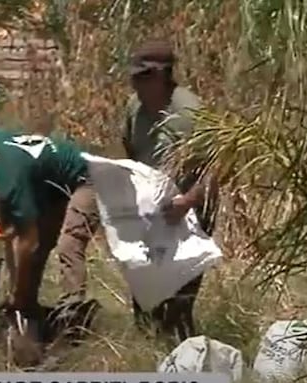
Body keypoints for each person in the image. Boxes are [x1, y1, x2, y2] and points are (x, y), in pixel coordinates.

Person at [0, 120, 100, 365]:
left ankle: (71, 322)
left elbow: (28, 243)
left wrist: (19, 293)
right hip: (48, 185)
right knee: (34, 255)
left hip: (88, 178)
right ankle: (30, 318)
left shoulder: (9, 176)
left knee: (69, 244)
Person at [122, 39, 219, 342]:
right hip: (152, 211)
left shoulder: (192, 113)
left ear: (162, 76)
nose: (135, 84)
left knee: (179, 297)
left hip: (190, 211)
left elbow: (217, 169)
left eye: (142, 77)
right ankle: (144, 353)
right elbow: (129, 150)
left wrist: (187, 202)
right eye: (134, 77)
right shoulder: (134, 108)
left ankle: (183, 352)